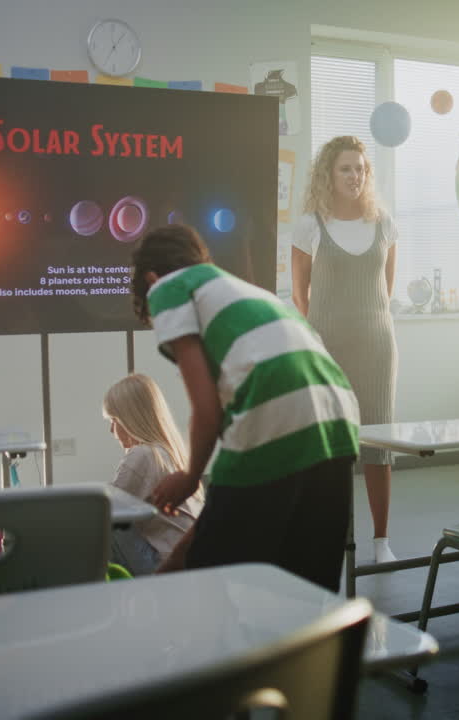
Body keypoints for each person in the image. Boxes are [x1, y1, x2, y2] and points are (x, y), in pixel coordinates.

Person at [134, 224, 360, 592]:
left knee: (209, 575)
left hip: (271, 411)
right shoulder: (246, 292)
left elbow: (206, 408)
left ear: (151, 277)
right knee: (309, 589)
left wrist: (190, 477)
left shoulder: (166, 288)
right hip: (337, 414)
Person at [292, 135, 399, 564]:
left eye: (360, 169)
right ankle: (328, 534)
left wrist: (366, 323)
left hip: (376, 346)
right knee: (328, 444)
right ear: (328, 175)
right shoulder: (309, 226)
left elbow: (384, 291)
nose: (355, 176)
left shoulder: (385, 224)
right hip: (325, 345)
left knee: (378, 443)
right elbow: (301, 296)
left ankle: (380, 542)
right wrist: (319, 338)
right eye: (345, 169)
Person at [102, 373, 203, 575]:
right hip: (192, 559)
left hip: (164, 563)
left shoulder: (143, 455)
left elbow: (105, 509)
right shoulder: (169, 452)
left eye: (114, 420)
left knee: (103, 522)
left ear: (130, 420)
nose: (112, 431)